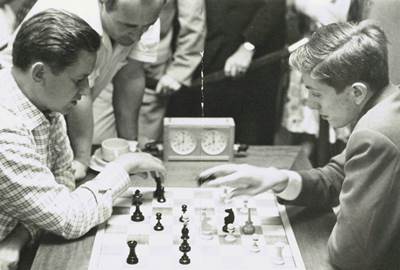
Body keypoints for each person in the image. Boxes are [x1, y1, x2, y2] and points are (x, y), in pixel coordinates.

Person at [199, 21, 400, 270]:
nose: (310, 104)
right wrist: (278, 178)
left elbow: (350, 255)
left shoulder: (375, 132)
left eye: (316, 93)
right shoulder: (386, 105)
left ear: (357, 92)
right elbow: (337, 176)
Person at [0, 9, 165, 270]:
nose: (85, 91)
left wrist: (19, 236)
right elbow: (70, 218)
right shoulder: (5, 131)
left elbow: (61, 182)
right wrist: (122, 167)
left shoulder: (42, 102)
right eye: (78, 80)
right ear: (39, 73)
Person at [0, 0, 165, 181]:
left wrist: (130, 146)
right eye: (128, 26)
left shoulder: (144, 14)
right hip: (22, 107)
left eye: (146, 27)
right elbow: (81, 91)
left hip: (57, 105)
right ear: (103, 3)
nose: (136, 36)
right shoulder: (77, 19)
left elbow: (130, 77)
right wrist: (82, 159)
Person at [167, 0, 286, 145]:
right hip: (205, 63)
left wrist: (249, 46)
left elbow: (275, 5)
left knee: (250, 144)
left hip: (252, 65)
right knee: (202, 144)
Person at [136, 0, 206, 144]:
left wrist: (178, 72)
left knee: (144, 146)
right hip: (101, 60)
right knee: (97, 141)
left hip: (149, 69)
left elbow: (193, 24)